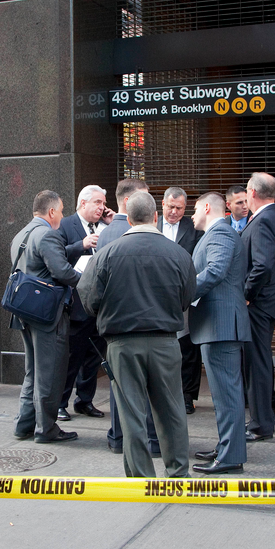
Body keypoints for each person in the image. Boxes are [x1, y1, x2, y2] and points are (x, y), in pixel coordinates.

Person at [76, 191, 194, 478]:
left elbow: (88, 297)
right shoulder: (178, 254)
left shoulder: (106, 255)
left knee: (131, 415)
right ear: (155, 217)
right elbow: (188, 295)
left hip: (122, 343)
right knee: (172, 410)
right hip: (166, 341)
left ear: (127, 219)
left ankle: (141, 478)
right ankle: (178, 472)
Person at [9, 190, 80, 443]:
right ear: (51, 212)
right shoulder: (48, 234)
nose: (62, 215)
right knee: (49, 373)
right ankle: (46, 429)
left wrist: (76, 247)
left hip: (26, 313)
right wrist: (88, 281)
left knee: (33, 371)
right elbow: (62, 272)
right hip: (48, 316)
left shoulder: (22, 234)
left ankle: (24, 424)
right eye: (60, 210)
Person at [187, 193, 251, 475]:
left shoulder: (220, 233)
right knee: (223, 394)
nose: (191, 215)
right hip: (216, 324)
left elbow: (214, 272)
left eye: (194, 209)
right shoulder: (215, 234)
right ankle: (226, 447)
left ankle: (230, 457)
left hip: (221, 325)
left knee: (227, 394)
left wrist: (181, 293)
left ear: (207, 207)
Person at [96, 179, 160, 456]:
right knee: (146, 387)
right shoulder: (144, 233)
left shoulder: (107, 232)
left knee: (117, 383)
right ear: (128, 202)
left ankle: (118, 437)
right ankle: (149, 440)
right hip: (146, 319)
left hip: (114, 321)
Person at [57, 184, 114, 421]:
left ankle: (85, 400)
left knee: (93, 358)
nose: (102, 207)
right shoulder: (64, 225)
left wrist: (113, 224)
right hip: (75, 305)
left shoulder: (107, 227)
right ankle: (60, 402)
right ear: (83, 203)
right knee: (71, 358)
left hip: (100, 305)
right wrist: (81, 245)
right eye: (97, 203)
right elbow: (56, 254)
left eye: (104, 203)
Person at [240, 172, 275, 442]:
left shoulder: (263, 221)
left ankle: (260, 424)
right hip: (265, 302)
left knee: (257, 364)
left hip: (258, 304)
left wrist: (247, 294)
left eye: (247, 190)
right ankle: (260, 420)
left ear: (253, 192)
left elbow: (262, 264)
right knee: (258, 362)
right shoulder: (270, 218)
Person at [157, 187, 204, 414]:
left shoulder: (193, 228)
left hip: (184, 296)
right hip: (156, 297)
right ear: (163, 204)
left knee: (187, 347)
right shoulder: (152, 224)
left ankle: (187, 395)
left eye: (179, 208)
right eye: (171, 207)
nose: (174, 212)